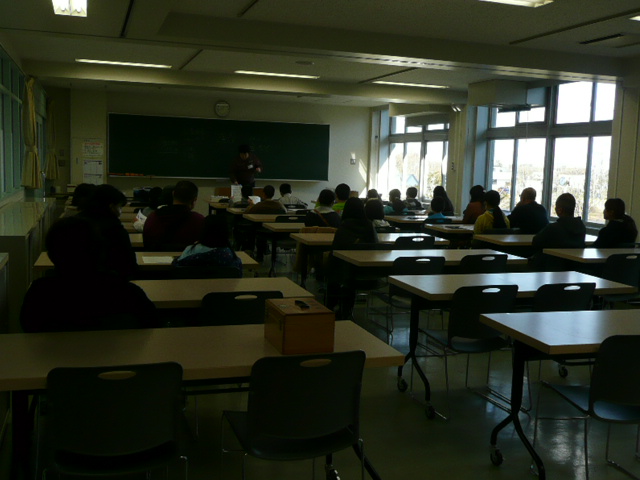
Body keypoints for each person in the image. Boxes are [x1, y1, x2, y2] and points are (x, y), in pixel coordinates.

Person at [20, 216, 158, 333]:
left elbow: (29, 331)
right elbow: (152, 326)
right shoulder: (128, 293)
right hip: (117, 356)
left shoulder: (39, 294)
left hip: (55, 357)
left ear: (51, 256)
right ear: (101, 251)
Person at [327, 197, 378, 318]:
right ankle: (347, 310)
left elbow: (335, 251)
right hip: (369, 274)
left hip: (344, 274)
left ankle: (331, 306)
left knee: (336, 266)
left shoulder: (344, 226)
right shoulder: (369, 225)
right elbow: (376, 246)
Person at [77, 184, 137, 279]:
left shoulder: (74, 223)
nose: (120, 211)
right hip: (110, 283)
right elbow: (129, 264)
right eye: (119, 207)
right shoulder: (116, 230)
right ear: (112, 207)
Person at [143, 180, 205, 251]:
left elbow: (147, 243)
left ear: (173, 194)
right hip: (187, 257)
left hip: (155, 257)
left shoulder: (153, 217)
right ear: (194, 199)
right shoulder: (199, 221)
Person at [173, 214, 242, 277]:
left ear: (203, 230)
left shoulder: (191, 250)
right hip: (222, 286)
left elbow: (177, 268)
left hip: (190, 286)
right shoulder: (229, 255)